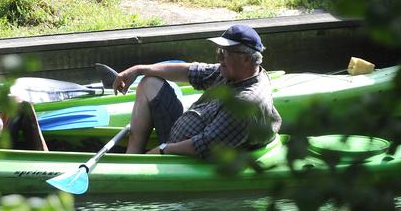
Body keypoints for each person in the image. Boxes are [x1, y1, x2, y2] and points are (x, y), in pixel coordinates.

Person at [112, 24, 281, 158]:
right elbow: (189, 71)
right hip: (180, 137)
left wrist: (162, 150)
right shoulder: (233, 72)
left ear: (245, 58)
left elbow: (206, 146)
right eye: (219, 51)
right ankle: (132, 155)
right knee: (149, 81)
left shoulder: (244, 103)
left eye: (225, 53)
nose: (219, 58)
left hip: (189, 154)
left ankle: (135, 162)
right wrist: (139, 69)